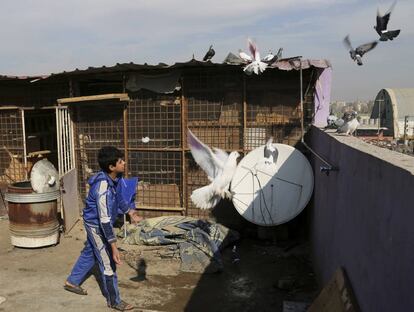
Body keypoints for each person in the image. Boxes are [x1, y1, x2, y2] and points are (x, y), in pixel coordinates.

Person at [64, 146, 142, 311]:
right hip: (96, 225)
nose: (124, 163)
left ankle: (72, 281)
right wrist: (113, 246)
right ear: (111, 167)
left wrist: (130, 212)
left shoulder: (116, 178)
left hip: (100, 222)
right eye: (121, 161)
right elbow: (104, 221)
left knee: (91, 252)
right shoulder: (103, 188)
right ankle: (114, 301)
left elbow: (120, 198)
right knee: (108, 263)